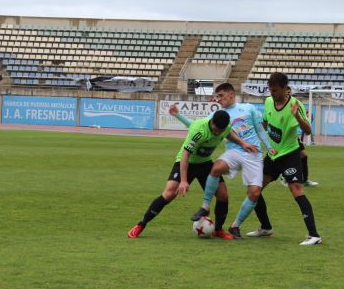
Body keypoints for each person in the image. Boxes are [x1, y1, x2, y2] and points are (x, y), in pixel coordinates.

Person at [172, 82, 276, 239]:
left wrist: (269, 146)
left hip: (253, 153)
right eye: (216, 97)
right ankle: (205, 206)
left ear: (231, 94)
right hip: (234, 152)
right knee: (216, 168)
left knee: (254, 193)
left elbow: (260, 129)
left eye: (220, 96)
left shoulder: (248, 108)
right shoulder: (218, 115)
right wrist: (177, 115)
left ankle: (235, 226)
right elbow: (194, 125)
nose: (218, 99)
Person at [127, 110, 254, 239]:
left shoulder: (225, 127)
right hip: (187, 162)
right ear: (212, 122)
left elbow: (229, 134)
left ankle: (218, 230)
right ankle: (141, 224)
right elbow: (185, 155)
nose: (217, 133)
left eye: (220, 131)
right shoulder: (199, 131)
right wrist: (183, 181)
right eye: (215, 129)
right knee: (169, 193)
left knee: (223, 195)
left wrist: (243, 143)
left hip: (205, 163)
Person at [250, 72, 323, 245]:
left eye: (275, 90)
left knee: (296, 189)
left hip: (290, 155)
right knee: (254, 189)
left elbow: (308, 131)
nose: (272, 93)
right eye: (270, 90)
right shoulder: (268, 102)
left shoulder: (295, 104)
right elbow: (266, 124)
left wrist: (297, 116)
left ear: (285, 88)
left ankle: (314, 235)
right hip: (273, 155)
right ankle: (266, 227)